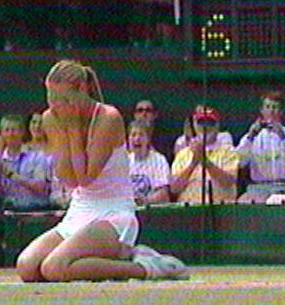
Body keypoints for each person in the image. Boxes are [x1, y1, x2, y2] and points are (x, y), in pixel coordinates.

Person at [16, 60, 187, 282]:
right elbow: (69, 180)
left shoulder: (109, 118)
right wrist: (65, 128)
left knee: (54, 268)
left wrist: (73, 128)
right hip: (80, 210)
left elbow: (85, 178)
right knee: (27, 267)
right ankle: (113, 258)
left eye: (63, 99)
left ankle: (147, 267)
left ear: (82, 90)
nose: (55, 105)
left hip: (114, 213)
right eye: (51, 97)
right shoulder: (51, 117)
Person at [236, 91, 285, 204]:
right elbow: (240, 162)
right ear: (262, 110)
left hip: (283, 187)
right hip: (258, 187)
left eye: (275, 107)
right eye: (267, 107)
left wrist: (283, 137)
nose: (271, 111)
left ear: (281, 112)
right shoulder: (251, 136)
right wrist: (250, 137)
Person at [170, 106, 239, 204]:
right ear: (195, 125)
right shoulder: (183, 154)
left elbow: (228, 182)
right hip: (190, 208)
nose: (205, 127)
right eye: (201, 122)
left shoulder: (228, 151)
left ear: (217, 125)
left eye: (210, 122)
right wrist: (193, 163)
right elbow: (174, 188)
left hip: (219, 208)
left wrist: (205, 161)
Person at [0, 114, 53, 211]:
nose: (10, 134)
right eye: (7, 130)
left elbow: (42, 189)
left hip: (34, 208)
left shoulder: (37, 157)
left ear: (22, 132)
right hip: (9, 209)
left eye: (14, 130)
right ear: (2, 134)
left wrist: (14, 176)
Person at [127, 119, 171, 205]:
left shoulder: (159, 160)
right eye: (133, 135)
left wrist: (146, 201)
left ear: (148, 139)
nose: (137, 138)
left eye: (141, 135)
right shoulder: (124, 161)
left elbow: (163, 194)